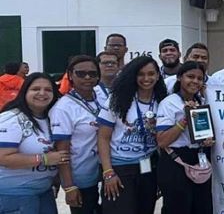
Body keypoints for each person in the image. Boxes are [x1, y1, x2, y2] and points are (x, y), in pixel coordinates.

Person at [97, 56, 167, 214]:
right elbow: (103, 137)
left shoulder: (162, 100)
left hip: (148, 166)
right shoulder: (118, 99)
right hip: (120, 168)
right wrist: (108, 172)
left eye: (151, 74)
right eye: (141, 74)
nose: (146, 78)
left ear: (158, 75)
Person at [0, 73, 68, 214]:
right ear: (25, 91)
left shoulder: (52, 117)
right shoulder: (11, 118)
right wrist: (44, 159)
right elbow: (3, 158)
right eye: (35, 89)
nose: (42, 93)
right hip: (14, 195)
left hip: (44, 192)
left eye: (48, 90)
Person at [156, 61, 213, 214]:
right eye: (190, 76)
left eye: (199, 78)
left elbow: (205, 133)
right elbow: (162, 141)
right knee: (177, 208)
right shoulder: (169, 103)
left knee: (202, 208)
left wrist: (208, 141)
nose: (195, 81)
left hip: (199, 158)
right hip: (175, 162)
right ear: (180, 77)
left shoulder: (203, 102)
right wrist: (185, 119)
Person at [51, 55, 102, 214]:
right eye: (81, 73)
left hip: (102, 172)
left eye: (92, 73)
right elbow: (62, 151)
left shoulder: (101, 97)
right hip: (80, 178)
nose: (87, 77)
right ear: (70, 75)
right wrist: (69, 186)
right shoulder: (63, 108)